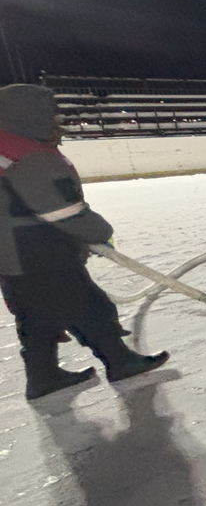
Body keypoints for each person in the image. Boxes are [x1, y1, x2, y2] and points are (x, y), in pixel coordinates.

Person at [0, 84, 169, 401]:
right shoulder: (27, 153)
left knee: (34, 315)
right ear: (30, 113)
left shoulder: (6, 145)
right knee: (90, 306)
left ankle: (43, 377)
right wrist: (98, 233)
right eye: (50, 111)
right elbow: (62, 209)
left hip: (12, 255)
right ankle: (120, 361)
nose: (56, 118)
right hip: (37, 250)